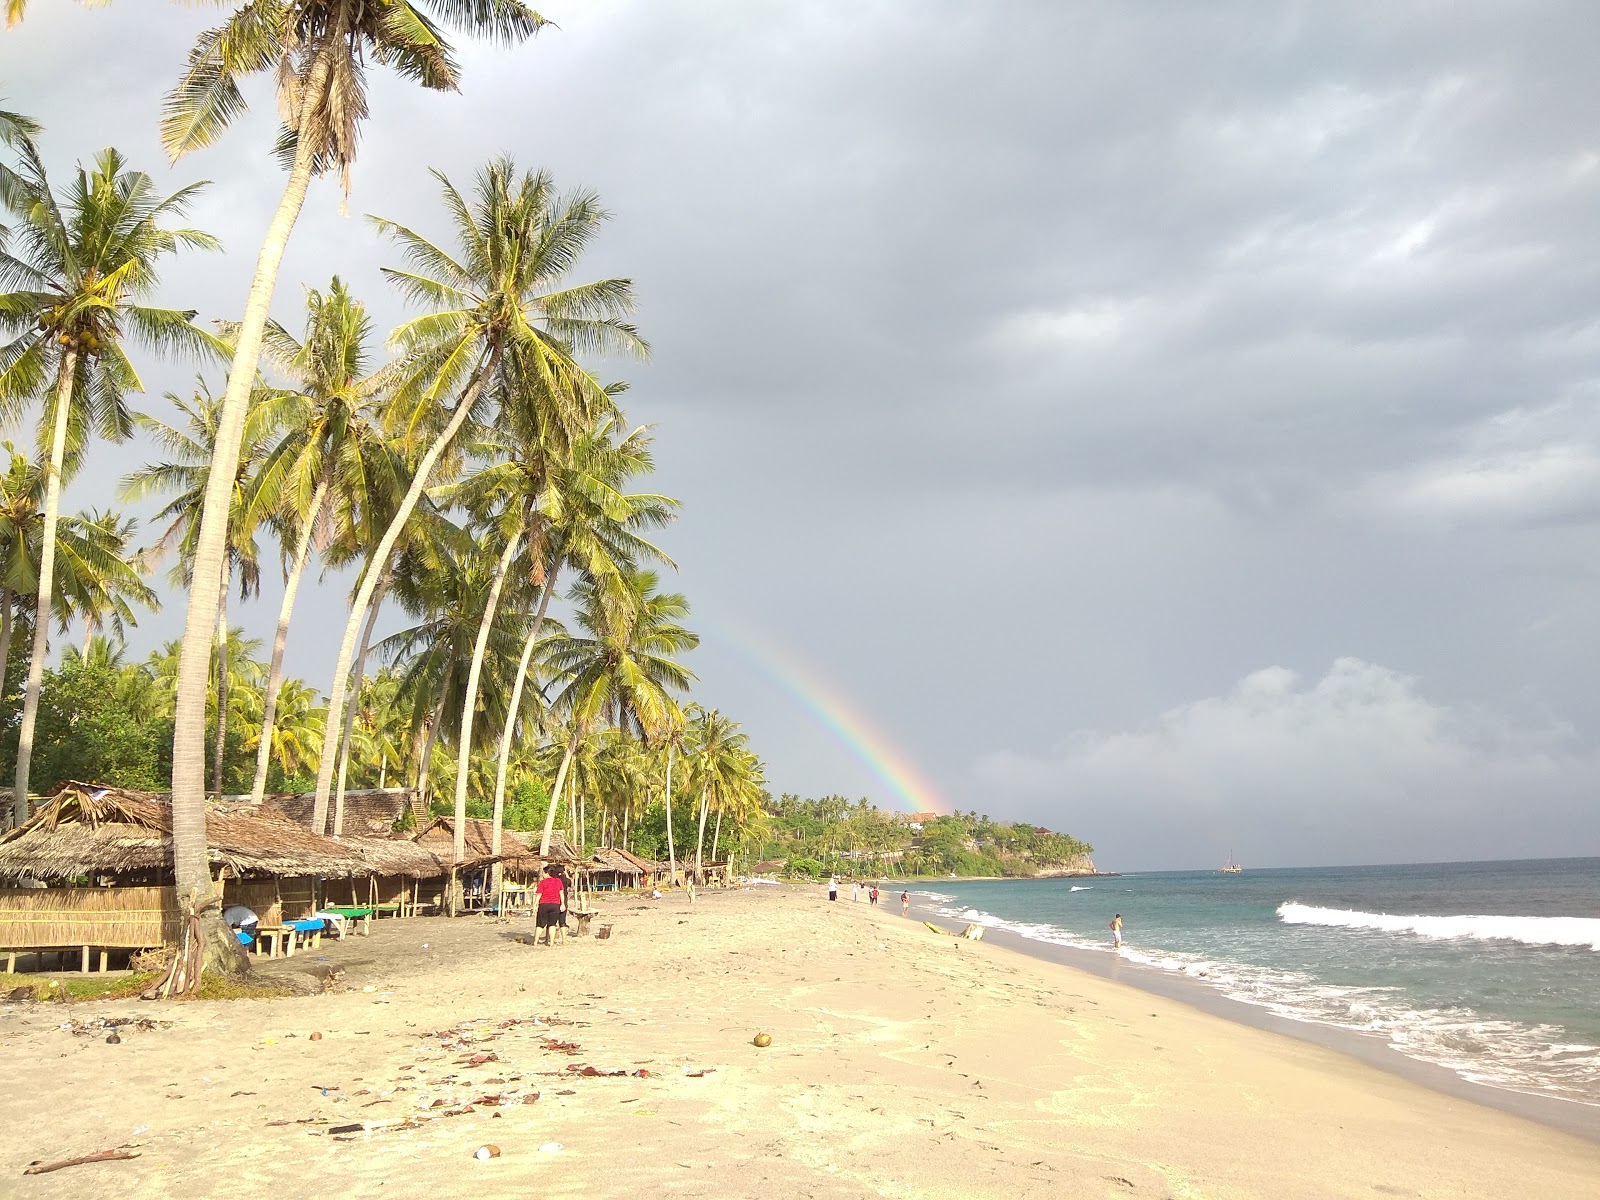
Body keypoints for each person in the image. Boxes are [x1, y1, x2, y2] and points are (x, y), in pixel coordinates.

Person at [536, 865, 566, 946]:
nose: (542, 874)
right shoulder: (558, 881)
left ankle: (535, 942)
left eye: (543, 873)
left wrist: (535, 904)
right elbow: (561, 893)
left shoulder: (542, 882)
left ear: (546, 873)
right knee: (552, 924)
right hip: (555, 904)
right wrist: (562, 903)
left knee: (540, 924)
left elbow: (539, 894)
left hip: (543, 904)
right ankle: (551, 943)